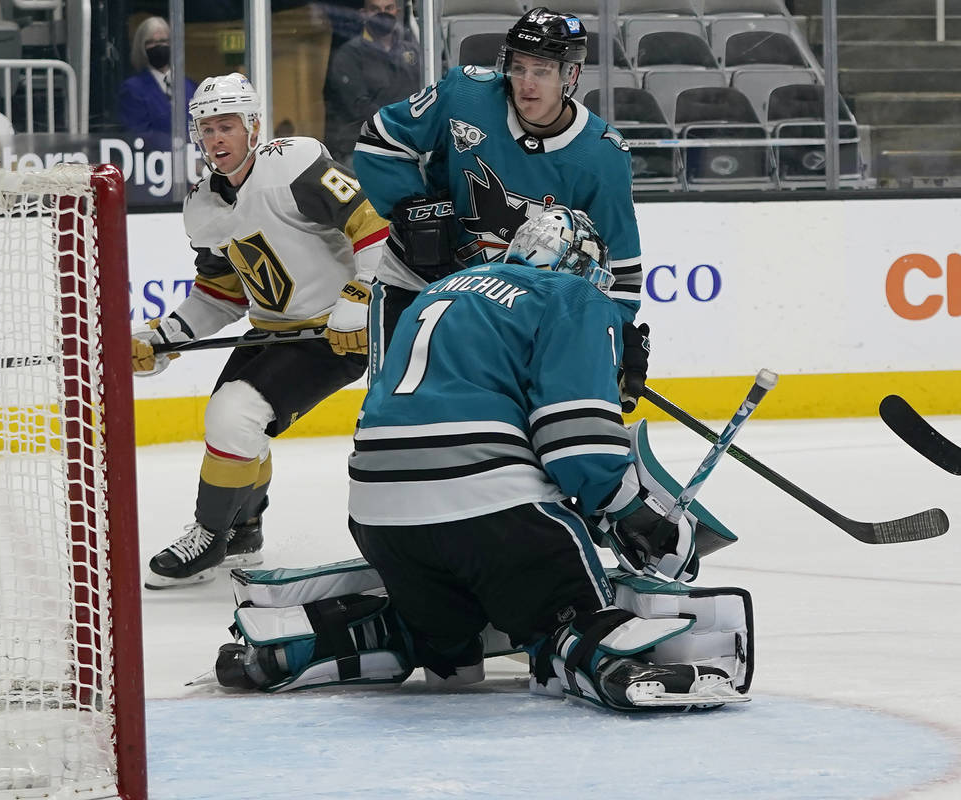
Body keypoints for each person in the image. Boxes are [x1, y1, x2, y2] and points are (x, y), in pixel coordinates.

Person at [210, 208, 752, 711]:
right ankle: (607, 662)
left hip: (379, 513)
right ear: (584, 266)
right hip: (488, 504)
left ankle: (318, 644)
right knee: (570, 614)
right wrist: (634, 514)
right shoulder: (573, 294)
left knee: (449, 657)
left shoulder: (436, 292)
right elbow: (575, 440)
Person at [130, 74, 390, 588]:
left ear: (252, 127)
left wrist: (360, 299)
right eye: (206, 130)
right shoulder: (203, 206)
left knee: (235, 414)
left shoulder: (292, 167)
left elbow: (373, 224)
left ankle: (209, 535)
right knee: (236, 426)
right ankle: (243, 528)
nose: (216, 140)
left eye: (227, 126)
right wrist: (164, 338)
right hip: (272, 332)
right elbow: (221, 294)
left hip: (331, 335)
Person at [352, 7, 650, 413]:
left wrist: (611, 335)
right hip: (417, 281)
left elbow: (620, 271)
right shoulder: (466, 93)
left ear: (570, 77)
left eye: (542, 70)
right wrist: (415, 208)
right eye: (518, 66)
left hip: (511, 307)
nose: (526, 83)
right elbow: (379, 141)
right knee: (390, 411)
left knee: (496, 423)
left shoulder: (602, 155)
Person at [322, 0, 422, 167]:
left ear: (396, 11)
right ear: (363, 14)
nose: (382, 14)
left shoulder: (413, 52)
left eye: (388, 8)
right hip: (364, 152)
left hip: (411, 149)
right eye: (375, 9)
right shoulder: (349, 55)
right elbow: (360, 106)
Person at [117, 16, 197, 150]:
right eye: (151, 42)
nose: (158, 46)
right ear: (141, 47)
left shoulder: (189, 86)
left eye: (163, 41)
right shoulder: (132, 89)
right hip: (154, 164)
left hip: (194, 165)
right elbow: (139, 133)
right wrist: (181, 154)